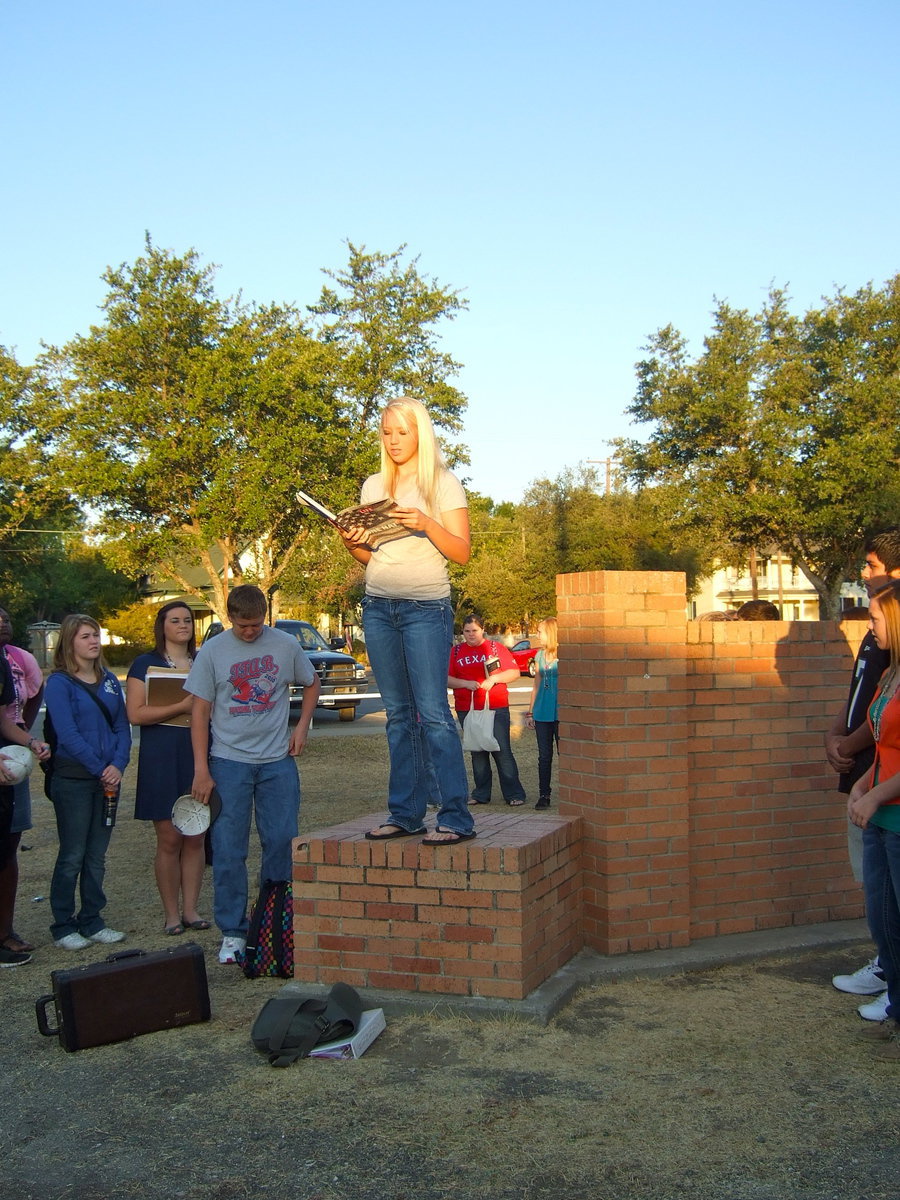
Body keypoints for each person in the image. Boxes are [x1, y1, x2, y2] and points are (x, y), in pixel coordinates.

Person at [339, 394, 475, 846]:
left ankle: (456, 817)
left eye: (403, 431)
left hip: (425, 608)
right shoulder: (372, 486)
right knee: (398, 716)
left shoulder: (443, 483)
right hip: (378, 606)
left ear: (420, 433)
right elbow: (368, 556)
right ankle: (406, 814)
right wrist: (351, 540)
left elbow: (462, 552)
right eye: (387, 432)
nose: (394, 440)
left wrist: (424, 523)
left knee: (434, 713)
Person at [186, 584, 320, 964]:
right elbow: (199, 712)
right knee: (229, 848)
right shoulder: (213, 651)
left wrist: (302, 726)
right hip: (228, 761)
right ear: (230, 618)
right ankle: (231, 931)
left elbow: (311, 683)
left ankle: (272, 922)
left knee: (281, 840)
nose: (250, 632)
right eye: (243, 626)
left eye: (257, 624)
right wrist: (202, 769)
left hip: (277, 760)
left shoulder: (284, 644)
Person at [826, 529, 900, 1018]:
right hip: (876, 801)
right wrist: (861, 779)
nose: (864, 574)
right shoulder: (889, 665)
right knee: (881, 904)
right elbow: (865, 706)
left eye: (871, 566)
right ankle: (890, 976)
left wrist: (873, 792)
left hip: (889, 805)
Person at [44, 614, 131, 950]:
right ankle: (63, 925)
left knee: (97, 854)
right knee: (72, 854)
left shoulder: (109, 680)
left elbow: (122, 727)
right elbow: (67, 734)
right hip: (76, 779)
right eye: (85, 636)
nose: (93, 641)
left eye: (95, 635)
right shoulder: (60, 683)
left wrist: (118, 763)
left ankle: (92, 919)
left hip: (109, 779)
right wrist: (100, 767)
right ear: (70, 642)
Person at [127, 601, 210, 936]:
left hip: (198, 753)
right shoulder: (144, 665)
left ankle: (191, 910)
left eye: (188, 620)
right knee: (169, 838)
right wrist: (180, 705)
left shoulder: (203, 661)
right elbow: (135, 714)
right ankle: (172, 915)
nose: (182, 625)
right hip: (161, 755)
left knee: (196, 835)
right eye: (175, 620)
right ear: (162, 625)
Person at [848, 578, 900, 1060]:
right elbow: (882, 741)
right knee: (884, 919)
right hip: (883, 817)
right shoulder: (890, 677)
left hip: (895, 814)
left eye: (876, 618)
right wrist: (865, 786)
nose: (869, 626)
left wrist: (874, 793)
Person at [0, 607, 45, 958]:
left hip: (9, 762)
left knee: (7, 845)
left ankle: (4, 932)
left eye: (5, 617)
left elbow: (5, 718)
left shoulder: (11, 661)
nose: (2, 621)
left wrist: (28, 741)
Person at [448, 614, 526, 806]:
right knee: (478, 750)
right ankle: (481, 794)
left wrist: (493, 679)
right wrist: (465, 683)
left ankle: (514, 793)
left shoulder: (495, 648)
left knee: (502, 750)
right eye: (467, 631)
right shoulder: (456, 652)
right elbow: (446, 679)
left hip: (496, 707)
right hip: (468, 708)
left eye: (474, 630)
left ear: (482, 629)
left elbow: (514, 672)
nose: (471, 635)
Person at [525, 618, 559, 809]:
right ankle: (544, 794)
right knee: (544, 755)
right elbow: (536, 683)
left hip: (562, 711)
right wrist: (530, 712)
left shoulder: (565, 653)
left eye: (540, 631)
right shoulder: (539, 655)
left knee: (566, 754)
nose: (537, 635)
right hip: (542, 710)